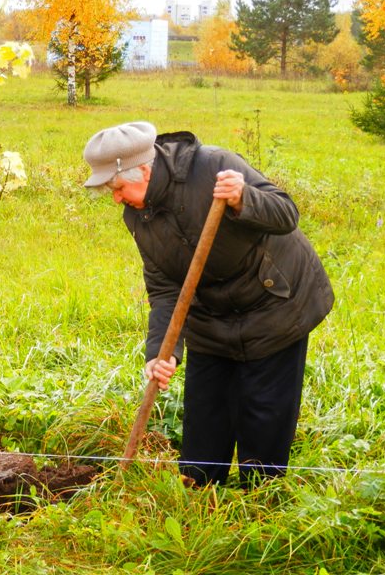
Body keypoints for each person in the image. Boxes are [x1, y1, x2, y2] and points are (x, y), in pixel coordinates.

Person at [82, 122, 334, 488]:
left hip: (274, 303)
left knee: (264, 414)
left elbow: (286, 213)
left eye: (117, 187)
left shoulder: (214, 166)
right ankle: (199, 494)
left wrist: (244, 198)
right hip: (209, 317)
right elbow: (165, 286)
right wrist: (161, 352)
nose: (116, 198)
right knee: (205, 415)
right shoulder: (137, 215)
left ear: (145, 171)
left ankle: (259, 502)